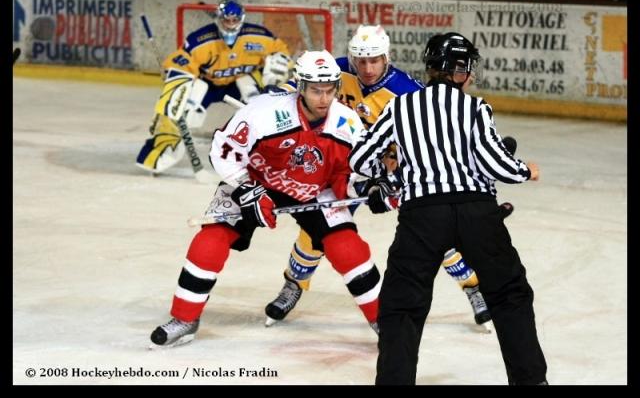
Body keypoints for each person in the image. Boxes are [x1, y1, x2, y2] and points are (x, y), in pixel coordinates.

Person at [264, 24, 509, 331]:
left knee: (437, 231)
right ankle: (294, 285)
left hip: (394, 173)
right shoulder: (336, 72)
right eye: (361, 61)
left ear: (387, 57)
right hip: (342, 170)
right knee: (317, 232)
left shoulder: (407, 89)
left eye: (375, 60)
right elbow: (294, 90)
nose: (367, 68)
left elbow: (431, 134)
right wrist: (269, 98)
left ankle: (474, 288)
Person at [349, 32, 547, 385]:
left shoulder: (400, 106)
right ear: (460, 70)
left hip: (421, 216)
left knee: (402, 306)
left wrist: (390, 173)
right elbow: (494, 166)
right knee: (509, 295)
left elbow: (361, 160)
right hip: (477, 213)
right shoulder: (475, 107)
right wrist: (524, 170)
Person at [150, 50, 382, 347]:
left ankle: (383, 320)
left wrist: (367, 190)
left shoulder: (348, 124)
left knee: (348, 248)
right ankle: (185, 318)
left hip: (312, 188)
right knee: (209, 242)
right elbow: (223, 152)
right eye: (315, 90)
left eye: (329, 90)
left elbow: (346, 176)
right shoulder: (263, 112)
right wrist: (247, 190)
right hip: (255, 179)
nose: (323, 99)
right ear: (300, 86)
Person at [136, 0, 292, 177]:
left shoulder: (259, 37)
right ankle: (158, 156)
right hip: (207, 84)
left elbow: (280, 52)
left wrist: (279, 65)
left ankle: (269, 157)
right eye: (227, 20)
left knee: (261, 108)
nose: (230, 24)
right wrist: (177, 78)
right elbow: (182, 63)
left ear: (241, 19)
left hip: (240, 82)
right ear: (219, 18)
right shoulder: (201, 40)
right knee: (179, 109)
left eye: (234, 20)